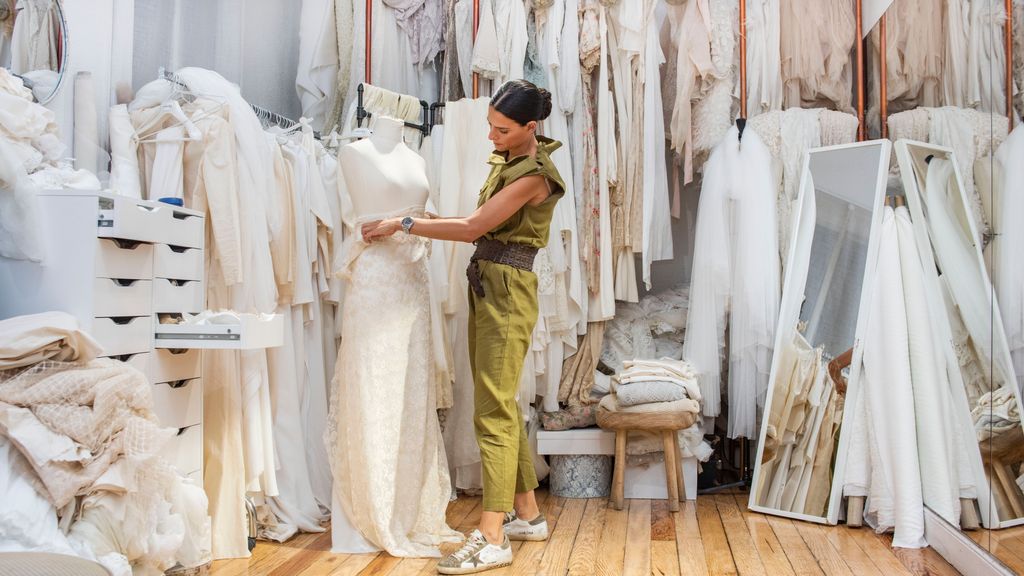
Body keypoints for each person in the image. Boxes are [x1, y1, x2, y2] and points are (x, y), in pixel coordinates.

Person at [362, 79, 564, 574]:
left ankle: (492, 536)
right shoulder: (512, 161)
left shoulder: (536, 174)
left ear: (529, 128)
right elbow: (482, 222)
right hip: (491, 283)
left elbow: (473, 229)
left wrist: (404, 224)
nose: (491, 136)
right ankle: (527, 515)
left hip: (507, 292)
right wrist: (426, 218)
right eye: (490, 127)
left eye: (501, 129)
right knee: (501, 403)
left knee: (492, 411)